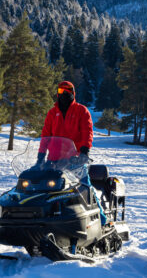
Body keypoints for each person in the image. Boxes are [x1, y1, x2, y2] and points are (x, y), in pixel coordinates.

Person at [37, 81, 106, 225]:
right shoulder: (52, 112)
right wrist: (41, 156)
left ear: (73, 93)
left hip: (74, 159)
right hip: (54, 160)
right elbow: (45, 135)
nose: (64, 94)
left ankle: (101, 219)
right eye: (61, 91)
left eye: (67, 91)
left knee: (84, 187)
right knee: (44, 188)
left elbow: (87, 132)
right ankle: (43, 219)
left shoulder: (81, 111)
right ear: (57, 93)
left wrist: (84, 151)